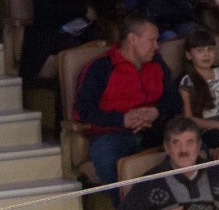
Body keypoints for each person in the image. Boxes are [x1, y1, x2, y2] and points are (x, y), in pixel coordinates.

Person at [72, 15, 182, 195]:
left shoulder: (157, 63)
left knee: (192, 139)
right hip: (115, 132)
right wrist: (123, 119)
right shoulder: (100, 67)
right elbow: (83, 110)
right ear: (132, 39)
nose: (157, 46)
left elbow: (174, 99)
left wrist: (155, 111)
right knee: (104, 152)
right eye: (152, 40)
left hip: (155, 127)